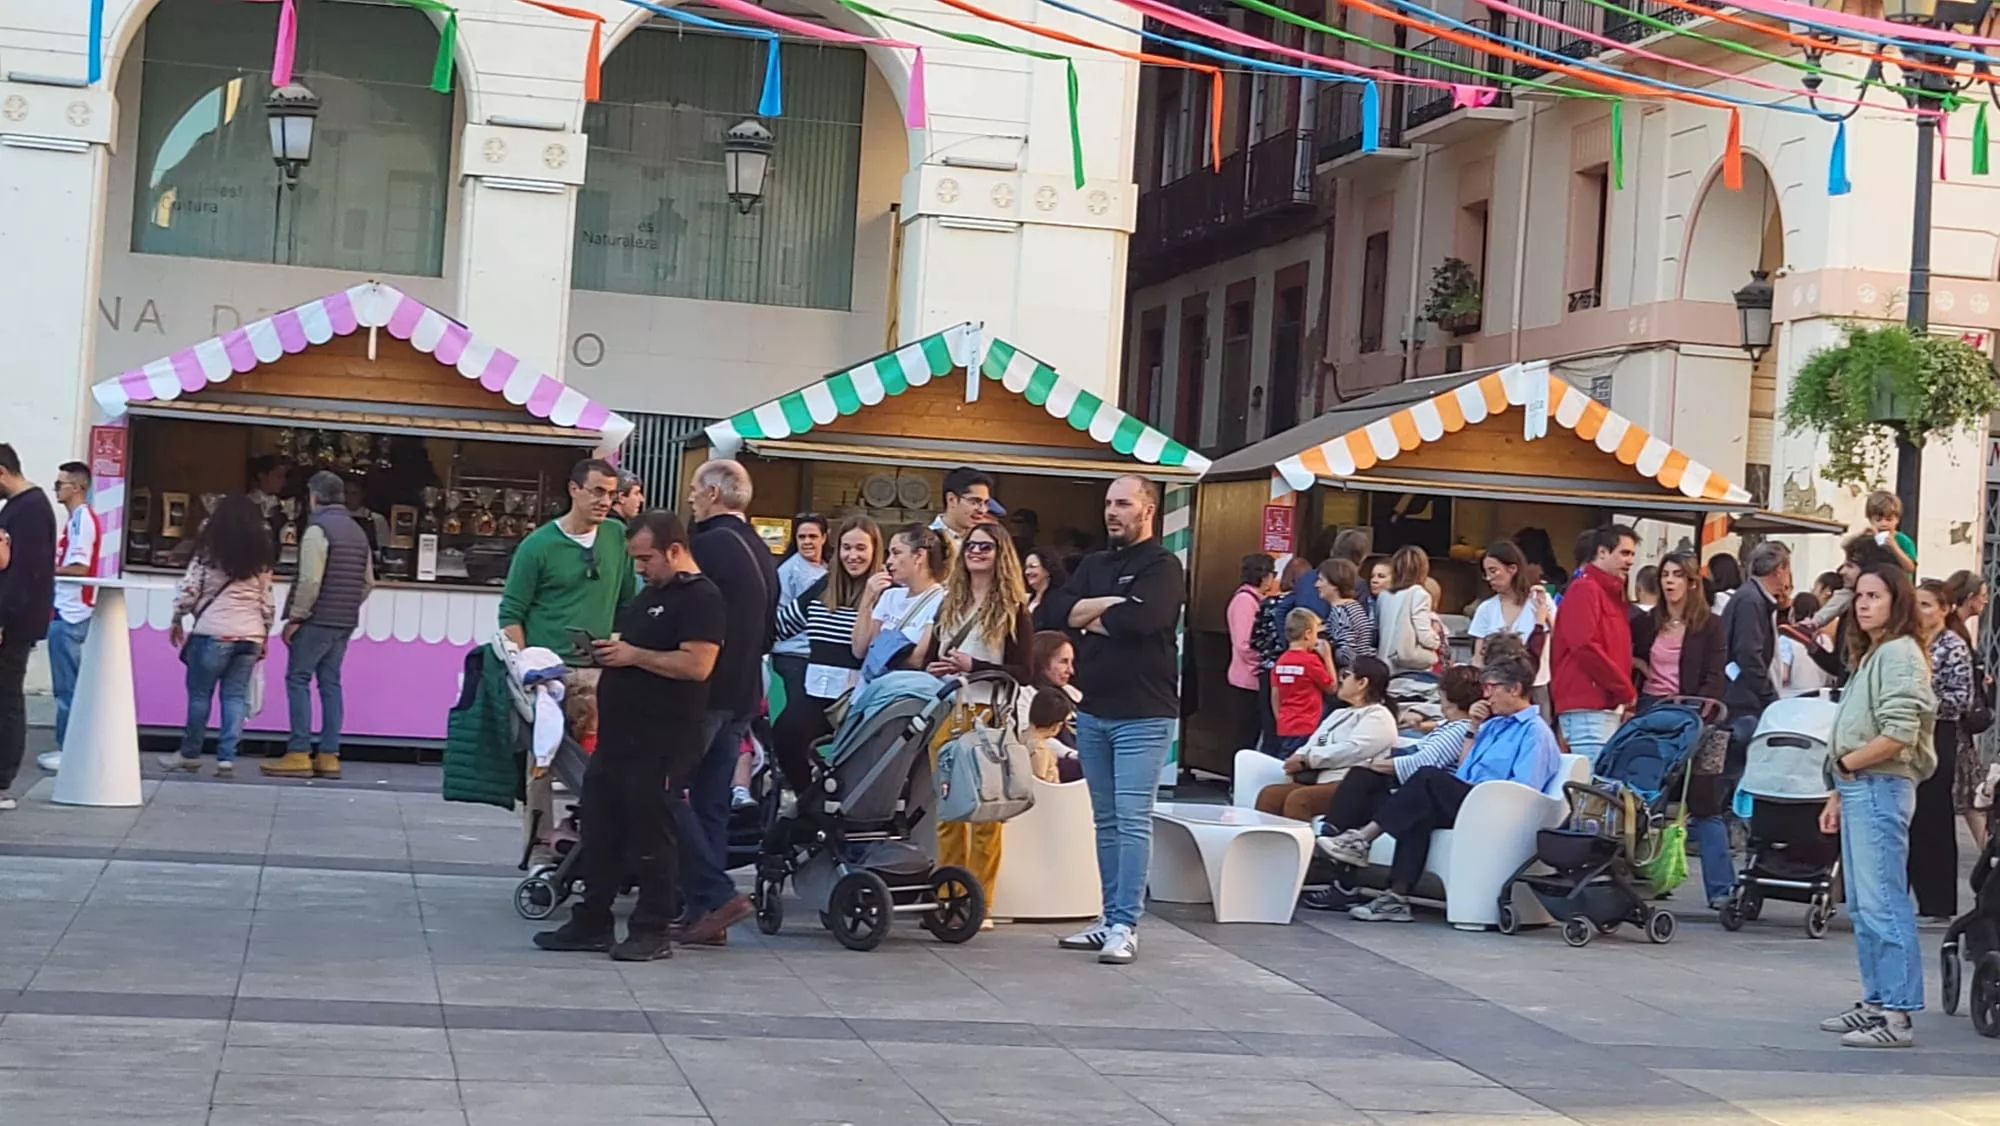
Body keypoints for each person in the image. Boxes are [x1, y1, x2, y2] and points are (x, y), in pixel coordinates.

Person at [534, 511, 727, 961]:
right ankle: (592, 919)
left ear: (675, 550)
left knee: (652, 832)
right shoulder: (652, 595)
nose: (640, 568)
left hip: (663, 736)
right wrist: (609, 653)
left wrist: (634, 655)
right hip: (621, 735)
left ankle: (652, 926)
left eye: (647, 558)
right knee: (601, 826)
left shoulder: (701, 599)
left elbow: (698, 664)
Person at [1040, 474, 1185, 965]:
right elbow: (1053, 614)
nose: (1112, 512)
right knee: (1104, 820)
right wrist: (1108, 608)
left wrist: (1091, 616)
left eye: (1123, 503)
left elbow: (1145, 621)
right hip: (1095, 708)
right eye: (1108, 503)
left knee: (1131, 818)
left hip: (1144, 713)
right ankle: (1107, 917)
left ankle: (1126, 922)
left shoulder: (1163, 565)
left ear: (1148, 509)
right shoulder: (1095, 565)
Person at [1318, 647, 1563, 922]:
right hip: (1471, 799)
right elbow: (1464, 768)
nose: (1487, 694)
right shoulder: (1493, 726)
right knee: (1417, 806)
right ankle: (1396, 896)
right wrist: (1473, 727)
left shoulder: (1535, 733)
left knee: (1427, 776)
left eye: (1493, 688)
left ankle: (1362, 839)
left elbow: (1524, 790)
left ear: (1515, 689)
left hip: (1497, 808)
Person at [1818, 563, 1936, 1049]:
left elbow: (1898, 732)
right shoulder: (1874, 654)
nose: (1863, 604)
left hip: (1879, 784)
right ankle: (1876, 1000)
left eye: (1875, 596)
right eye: (1860, 596)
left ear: (1897, 602)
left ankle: (1897, 1015)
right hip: (1858, 785)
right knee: (1866, 906)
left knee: (1883, 901)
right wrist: (1837, 789)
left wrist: (1847, 767)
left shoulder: (1901, 655)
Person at [678, 458, 776, 945]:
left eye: (696, 489)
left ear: (714, 494)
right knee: (712, 804)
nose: (691, 498)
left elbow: (687, 610)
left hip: (706, 690)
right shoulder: (762, 549)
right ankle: (705, 914)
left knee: (668, 793)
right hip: (744, 694)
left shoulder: (708, 545)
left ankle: (714, 896)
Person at [920, 521, 1035, 916]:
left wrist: (976, 665)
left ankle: (979, 904)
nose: (976, 552)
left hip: (988, 714)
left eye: (985, 547)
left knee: (987, 815)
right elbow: (931, 654)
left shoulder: (1013, 608)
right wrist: (938, 668)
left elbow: (1025, 671)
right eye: (971, 546)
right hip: (948, 711)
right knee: (949, 814)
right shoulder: (949, 601)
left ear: (1000, 554)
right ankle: (947, 897)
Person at [1630, 551, 1732, 906]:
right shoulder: (1646, 623)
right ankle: (1643, 876)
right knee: (1645, 795)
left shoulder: (1710, 625)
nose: (1669, 581)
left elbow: (1715, 677)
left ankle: (1721, 890)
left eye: (1677, 575)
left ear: (1692, 582)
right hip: (1652, 712)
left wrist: (1698, 716)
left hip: (1696, 716)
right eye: (1665, 575)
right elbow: (1628, 657)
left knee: (1704, 801)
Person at [263, 471, 375, 779]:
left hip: (316, 619)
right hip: (344, 621)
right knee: (330, 683)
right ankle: (329, 754)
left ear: (313, 496)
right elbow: (368, 582)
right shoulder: (357, 531)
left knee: (298, 679)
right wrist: (347, 606)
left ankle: (299, 752)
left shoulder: (317, 530)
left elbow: (311, 580)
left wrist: (297, 617)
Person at [159, 495, 274, 779]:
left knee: (200, 696)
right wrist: (265, 633)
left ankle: (190, 754)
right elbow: (267, 601)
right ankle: (226, 760)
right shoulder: (261, 557)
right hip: (250, 634)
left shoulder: (208, 552)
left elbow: (190, 590)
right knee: (234, 697)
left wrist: (177, 618)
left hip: (213, 631)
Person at [771, 516, 882, 790]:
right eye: (846, 547)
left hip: (858, 697)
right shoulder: (823, 586)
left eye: (860, 548)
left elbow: (870, 650)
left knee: (849, 761)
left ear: (874, 550)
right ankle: (807, 800)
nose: (852, 556)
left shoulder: (886, 591)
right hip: (816, 689)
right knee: (785, 734)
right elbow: (782, 626)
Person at [498, 459, 639, 662]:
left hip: (599, 668)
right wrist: (524, 666)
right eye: (598, 491)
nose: (606, 502)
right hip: (547, 670)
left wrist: (618, 647)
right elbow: (511, 613)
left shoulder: (618, 535)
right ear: (574, 489)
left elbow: (627, 603)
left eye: (611, 494)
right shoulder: (537, 545)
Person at [1255, 655, 1396, 821]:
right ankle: (1262, 845)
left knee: (1300, 800)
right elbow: (1317, 740)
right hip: (1320, 779)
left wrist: (1308, 760)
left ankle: (1302, 847)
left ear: (1362, 683)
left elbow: (1353, 750)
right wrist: (1299, 756)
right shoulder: (1339, 714)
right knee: (1270, 795)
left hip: (1349, 785)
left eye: (1346, 675)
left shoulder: (1379, 716)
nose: (1340, 680)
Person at [1548, 523, 1637, 766]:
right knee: (1591, 786)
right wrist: (1624, 688)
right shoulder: (1586, 589)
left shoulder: (1607, 592)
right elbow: (1584, 645)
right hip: (1587, 704)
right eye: (1624, 553)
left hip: (1601, 704)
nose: (1630, 561)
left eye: (1632, 554)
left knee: (1596, 785)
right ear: (1602, 552)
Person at [0, 444, 57, 810]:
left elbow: (23, 572)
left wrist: (3, 617)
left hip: (14, 621)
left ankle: (3, 779)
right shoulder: (19, 508)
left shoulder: (30, 510)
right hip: (14, 616)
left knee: (6, 697)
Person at [1911, 579, 1970, 927]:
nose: (1920, 611)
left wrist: (1924, 699)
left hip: (1940, 733)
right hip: (1910, 734)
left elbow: (1960, 699)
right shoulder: (1911, 643)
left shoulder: (1954, 646)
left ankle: (1937, 901)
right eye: (1916, 604)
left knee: (1934, 816)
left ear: (1944, 609)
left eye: (1927, 605)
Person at [48, 461, 99, 753]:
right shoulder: (79, 519)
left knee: (67, 687)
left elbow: (80, 568)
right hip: (70, 609)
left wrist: (48, 569)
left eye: (60, 484)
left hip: (70, 611)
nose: (57, 488)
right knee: (69, 684)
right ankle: (70, 746)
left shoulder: (81, 521)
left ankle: (69, 748)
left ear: (77, 487)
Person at [853, 524, 948, 673]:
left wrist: (880, 649)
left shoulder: (941, 601)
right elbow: (860, 649)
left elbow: (918, 659)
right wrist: (868, 600)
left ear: (919, 556)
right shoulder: (890, 595)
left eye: (896, 553)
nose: (889, 561)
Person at [1944, 569, 1991, 847]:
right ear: (1971, 598)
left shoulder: (1958, 631)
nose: (1985, 602)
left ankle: (1989, 856)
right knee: (1969, 796)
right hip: (1957, 727)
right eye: (1982, 596)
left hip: (1960, 727)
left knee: (1971, 795)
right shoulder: (1954, 634)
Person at [1719, 541, 1790, 725]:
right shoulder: (1751, 601)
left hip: (1744, 697)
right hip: (1743, 702)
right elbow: (1749, 654)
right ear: (1779, 570)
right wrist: (1768, 696)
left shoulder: (1753, 596)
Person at [769, 513, 829, 721]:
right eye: (801, 537)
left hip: (814, 654)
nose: (807, 542)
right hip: (793, 653)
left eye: (812, 536)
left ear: (824, 537)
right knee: (798, 714)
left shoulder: (825, 568)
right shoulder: (790, 570)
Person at [1470, 540, 1553, 670]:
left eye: (1493, 571)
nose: (1488, 578)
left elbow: (1560, 639)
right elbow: (1478, 658)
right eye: (1485, 573)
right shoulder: (1485, 609)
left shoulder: (1540, 600)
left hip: (1537, 684)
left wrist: (1545, 615)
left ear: (1512, 569)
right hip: (1497, 683)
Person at [1226, 553, 1279, 753]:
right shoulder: (1245, 602)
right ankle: (1237, 781)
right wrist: (1265, 661)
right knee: (1245, 736)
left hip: (1253, 678)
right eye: (1273, 574)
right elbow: (1244, 643)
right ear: (1264, 576)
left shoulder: (1259, 600)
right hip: (1247, 679)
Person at [1268, 609, 1338, 758]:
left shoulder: (1281, 661)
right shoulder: (1310, 661)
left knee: (1286, 758)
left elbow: (1275, 694)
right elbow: (1331, 687)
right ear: (1307, 634)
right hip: (1308, 723)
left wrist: (1280, 718)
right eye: (1315, 634)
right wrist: (1327, 658)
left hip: (1286, 724)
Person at [1374, 546, 1443, 674]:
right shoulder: (1418, 594)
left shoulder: (1384, 596)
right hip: (1408, 671)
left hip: (1384, 666)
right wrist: (1436, 636)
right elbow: (1425, 637)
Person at [1313, 558, 1375, 670]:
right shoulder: (1353, 606)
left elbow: (1347, 655)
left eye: (1321, 580)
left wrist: (1324, 650)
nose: (1316, 584)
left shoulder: (1341, 612)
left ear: (1334, 584)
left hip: (1349, 673)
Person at [931, 466, 996, 556]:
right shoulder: (926, 541)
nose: (982, 510)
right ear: (951, 499)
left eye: (985, 503)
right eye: (974, 502)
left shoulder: (985, 541)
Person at [1866, 490, 1918, 578]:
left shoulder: (1904, 541)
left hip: (1899, 585)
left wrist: (1894, 547)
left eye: (1889, 520)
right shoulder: (1867, 539)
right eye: (1878, 520)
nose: (1884, 524)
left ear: (1897, 520)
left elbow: (1910, 567)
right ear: (1870, 520)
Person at [341, 479, 390, 552]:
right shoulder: (334, 518)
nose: (349, 497)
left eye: (354, 493)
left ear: (362, 495)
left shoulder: (377, 520)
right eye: (346, 492)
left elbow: (384, 548)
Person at [1023, 548, 1068, 627]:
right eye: (1026, 568)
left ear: (1047, 569)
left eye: (1032, 567)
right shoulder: (1028, 599)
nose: (1027, 572)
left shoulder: (1058, 599)